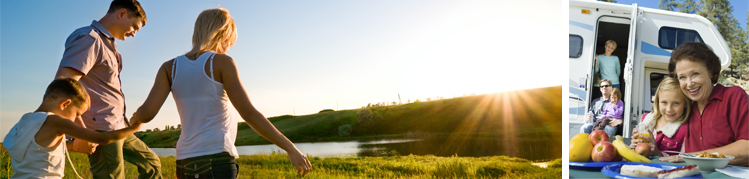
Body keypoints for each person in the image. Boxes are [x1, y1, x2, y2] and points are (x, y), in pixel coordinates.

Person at [128, 8, 311, 178]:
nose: (229, 47)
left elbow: (147, 113)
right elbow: (249, 113)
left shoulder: (169, 68)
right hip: (217, 161)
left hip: (184, 162)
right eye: (230, 42)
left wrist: (133, 120)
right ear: (223, 34)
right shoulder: (223, 63)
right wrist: (290, 148)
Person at [53, 0, 162, 178]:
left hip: (118, 125)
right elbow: (62, 85)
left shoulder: (110, 47)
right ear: (121, 13)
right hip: (99, 128)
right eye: (134, 26)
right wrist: (80, 133)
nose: (134, 34)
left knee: (152, 164)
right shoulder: (89, 39)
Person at [3, 79, 143, 179]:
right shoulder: (55, 121)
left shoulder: (25, 121)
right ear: (65, 104)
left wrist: (71, 147)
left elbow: (38, 150)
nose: (75, 119)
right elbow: (103, 138)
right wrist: (134, 128)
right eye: (77, 114)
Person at [659, 42, 749, 166]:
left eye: (695, 74)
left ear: (710, 72)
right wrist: (654, 149)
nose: (689, 84)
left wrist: (696, 157)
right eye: (682, 77)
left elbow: (747, 148)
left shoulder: (733, 96)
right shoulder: (686, 107)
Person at [630, 77, 691, 157]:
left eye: (676, 103)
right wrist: (634, 146)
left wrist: (658, 153)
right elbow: (635, 152)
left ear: (685, 103)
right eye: (664, 102)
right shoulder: (645, 120)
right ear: (658, 102)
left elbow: (685, 161)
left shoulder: (686, 129)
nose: (669, 109)